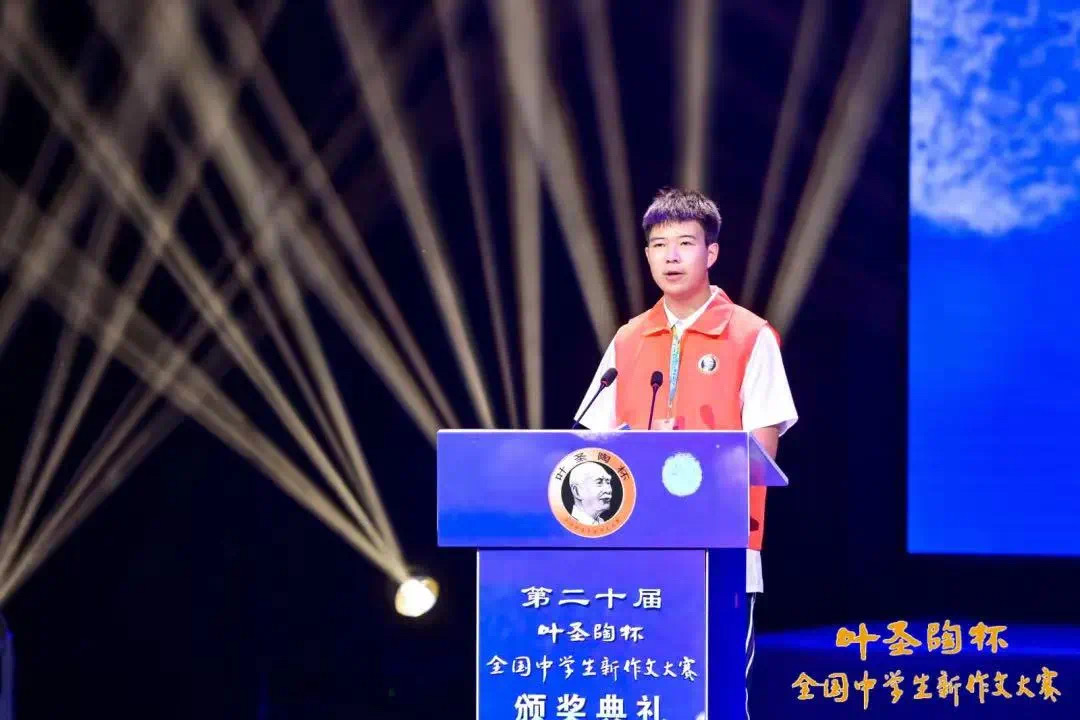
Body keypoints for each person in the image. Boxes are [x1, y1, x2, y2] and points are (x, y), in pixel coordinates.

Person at [574, 186, 797, 718]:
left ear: (711, 253)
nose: (670, 257)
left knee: (715, 698)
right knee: (639, 694)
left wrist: (684, 458)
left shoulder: (751, 336)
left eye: (685, 243)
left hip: (722, 549)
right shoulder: (628, 339)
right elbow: (590, 451)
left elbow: (762, 454)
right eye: (659, 245)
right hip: (636, 546)